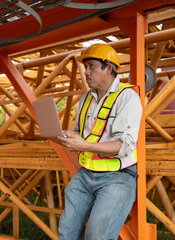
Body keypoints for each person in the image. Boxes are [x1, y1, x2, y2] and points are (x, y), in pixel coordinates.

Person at [57, 43, 142, 240]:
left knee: (97, 236)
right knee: (66, 233)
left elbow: (124, 146)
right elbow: (82, 133)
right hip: (86, 174)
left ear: (108, 68)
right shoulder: (86, 99)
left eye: (91, 66)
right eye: (85, 67)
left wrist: (84, 145)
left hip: (117, 177)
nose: (85, 72)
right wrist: (71, 136)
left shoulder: (127, 97)